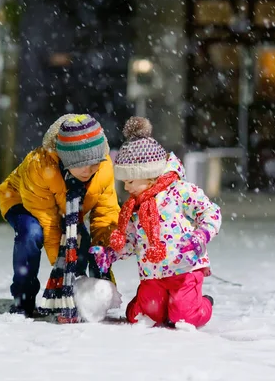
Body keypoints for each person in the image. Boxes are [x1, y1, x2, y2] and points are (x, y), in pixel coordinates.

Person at [90, 117, 222, 327]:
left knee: (183, 316)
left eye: (130, 181)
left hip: (184, 268)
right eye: (123, 182)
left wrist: (201, 236)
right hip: (153, 273)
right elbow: (132, 240)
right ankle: (155, 303)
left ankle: (202, 304)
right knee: (142, 317)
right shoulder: (134, 207)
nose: (126, 188)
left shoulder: (179, 191)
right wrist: (111, 253)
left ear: (149, 175)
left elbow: (210, 212)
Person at [0, 114, 120, 317]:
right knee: (32, 233)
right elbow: (50, 224)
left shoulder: (104, 168)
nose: (89, 170)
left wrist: (103, 259)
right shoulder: (39, 166)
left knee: (84, 239)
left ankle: (87, 298)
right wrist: (67, 275)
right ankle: (23, 299)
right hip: (21, 200)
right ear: (66, 158)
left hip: (65, 206)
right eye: (82, 163)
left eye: (94, 163)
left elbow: (106, 214)